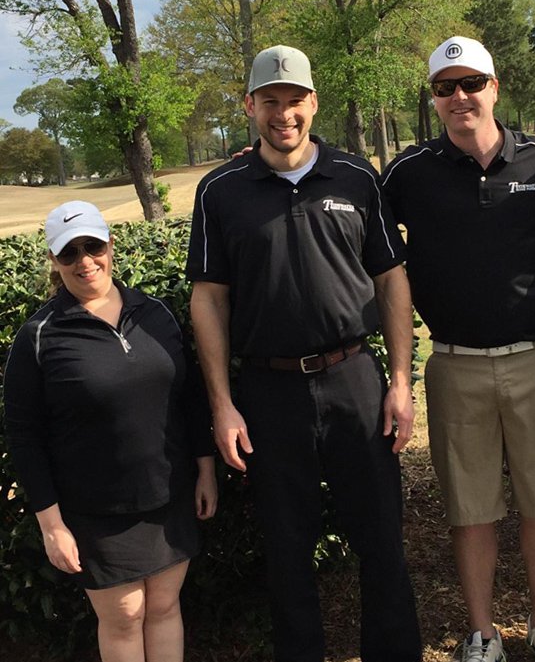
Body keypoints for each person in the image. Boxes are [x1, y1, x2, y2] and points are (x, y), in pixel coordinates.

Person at [185, 45, 422, 662]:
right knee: (287, 549)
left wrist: (401, 380)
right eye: (270, 102)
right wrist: (223, 405)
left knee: (381, 541)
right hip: (269, 391)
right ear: (250, 106)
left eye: (294, 101)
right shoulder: (221, 191)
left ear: (313, 103)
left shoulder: (356, 176)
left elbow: (391, 279)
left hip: (355, 380)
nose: (283, 114)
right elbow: (208, 299)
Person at [381, 35, 535, 662]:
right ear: (435, 100)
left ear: (495, 88)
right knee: (470, 509)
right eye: (446, 88)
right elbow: (374, 258)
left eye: (472, 84)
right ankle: (482, 632)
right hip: (455, 363)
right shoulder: (408, 174)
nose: (460, 97)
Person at [3, 201, 217, 662]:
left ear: (111, 246)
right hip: (95, 511)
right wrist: (52, 525)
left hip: (170, 495)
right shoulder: (39, 336)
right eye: (69, 253)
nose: (85, 261)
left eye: (93, 246)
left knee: (163, 607)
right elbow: (24, 435)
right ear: (53, 261)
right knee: (124, 616)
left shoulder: (155, 312)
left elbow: (190, 397)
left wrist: (205, 470)